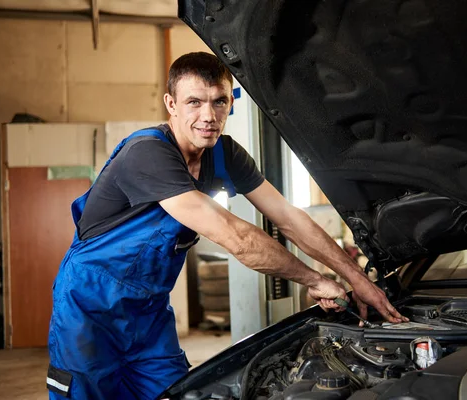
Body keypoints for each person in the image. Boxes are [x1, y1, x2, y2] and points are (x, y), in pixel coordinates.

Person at [46, 51, 407, 399]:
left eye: (219, 101)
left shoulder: (226, 155)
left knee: (178, 392)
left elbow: (290, 218)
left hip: (149, 313)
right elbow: (237, 238)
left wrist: (358, 279)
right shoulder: (147, 153)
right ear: (171, 104)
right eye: (194, 102)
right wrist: (315, 279)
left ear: (231, 103)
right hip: (88, 308)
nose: (209, 115)